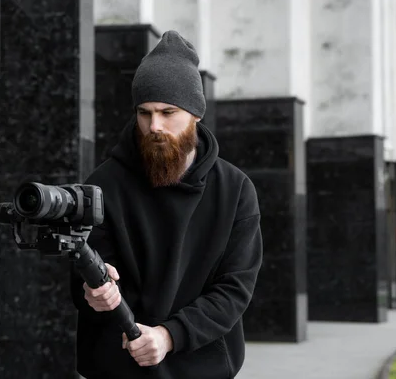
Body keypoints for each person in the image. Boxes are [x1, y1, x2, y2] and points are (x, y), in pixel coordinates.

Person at [71, 30, 263, 379]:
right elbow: (82, 275)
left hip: (202, 366)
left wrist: (169, 335)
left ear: (196, 114)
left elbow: (234, 289)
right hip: (117, 367)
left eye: (167, 112)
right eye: (144, 113)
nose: (154, 126)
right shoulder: (103, 184)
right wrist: (92, 293)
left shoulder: (236, 190)